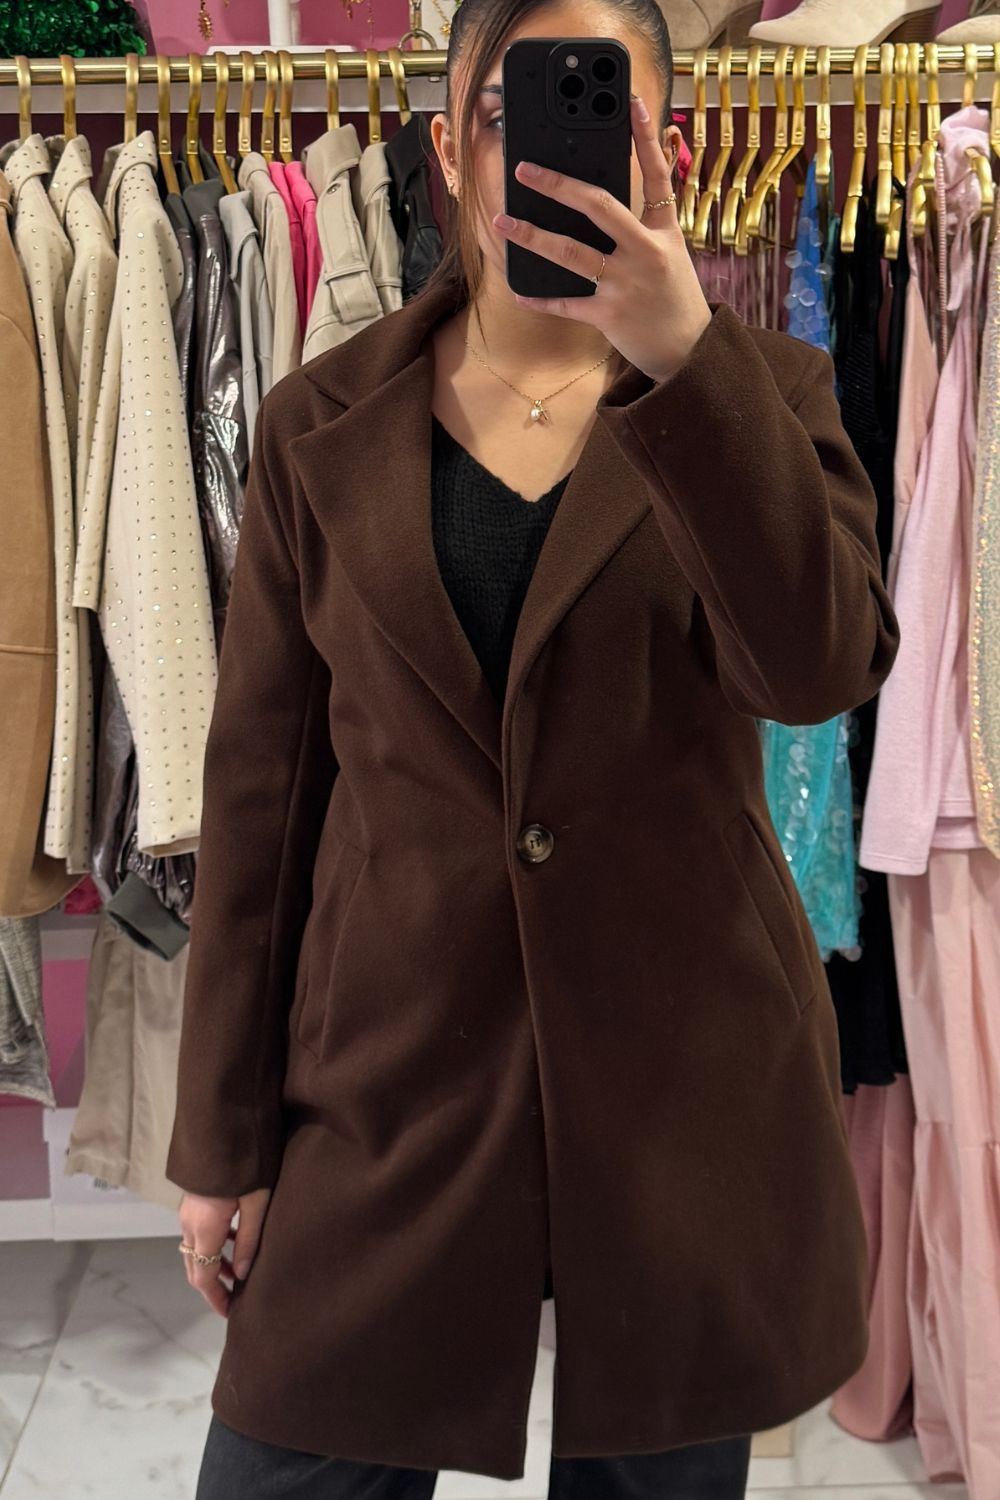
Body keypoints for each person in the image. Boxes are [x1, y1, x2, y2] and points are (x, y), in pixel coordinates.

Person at [167, 1, 901, 1497]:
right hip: (387, 1088)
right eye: (505, 113)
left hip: (685, 1092)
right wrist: (220, 1137)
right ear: (450, 149)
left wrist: (683, 357)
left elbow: (818, 670)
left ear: (666, 148)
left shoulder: (766, 396)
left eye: (594, 108)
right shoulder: (322, 423)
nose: (538, 151)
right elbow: (262, 807)